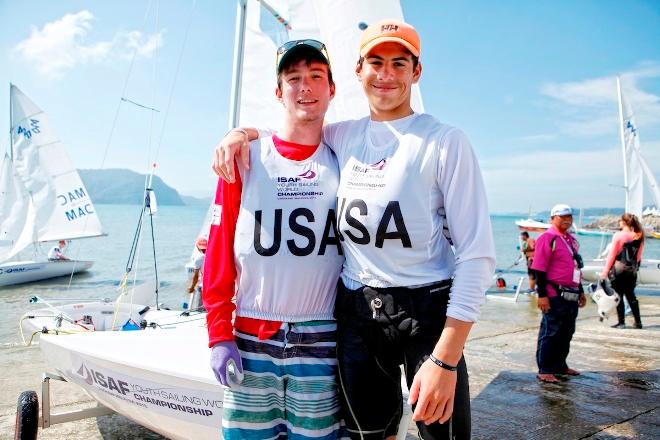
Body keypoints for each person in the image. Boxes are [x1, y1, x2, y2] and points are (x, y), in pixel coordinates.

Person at [212, 19, 495, 440]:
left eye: (399, 64)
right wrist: (242, 133)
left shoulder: (445, 141)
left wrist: (447, 359)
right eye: (376, 62)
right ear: (359, 71)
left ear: (417, 73)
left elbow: (477, 256)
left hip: (425, 309)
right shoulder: (343, 136)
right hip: (358, 309)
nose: (386, 74)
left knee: (443, 434)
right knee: (369, 433)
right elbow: (291, 133)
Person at [202, 40, 345, 439]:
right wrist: (218, 335)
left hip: (322, 340)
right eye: (294, 78)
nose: (306, 87)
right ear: (279, 93)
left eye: (316, 77)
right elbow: (219, 253)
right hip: (251, 339)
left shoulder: (345, 155)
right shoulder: (244, 157)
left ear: (332, 89)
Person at [531, 204, 587, 383]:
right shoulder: (548, 238)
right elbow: (539, 269)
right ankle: (545, 368)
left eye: (569, 216)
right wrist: (542, 295)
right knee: (551, 331)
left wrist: (581, 291)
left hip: (571, 293)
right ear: (552, 218)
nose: (566, 220)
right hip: (553, 293)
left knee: (567, 331)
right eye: (562, 216)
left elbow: (576, 267)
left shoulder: (569, 239)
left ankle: (560, 365)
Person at [599, 213, 645, 329]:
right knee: (631, 295)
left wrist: (605, 272)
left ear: (624, 222)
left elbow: (612, 255)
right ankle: (638, 322)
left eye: (620, 221)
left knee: (618, 295)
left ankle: (621, 322)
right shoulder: (639, 236)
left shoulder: (618, 235)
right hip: (632, 270)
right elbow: (638, 257)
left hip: (619, 269)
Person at [187, 237, 207, 311]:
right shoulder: (213, 256)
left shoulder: (199, 259)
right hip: (213, 286)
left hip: (203, 287)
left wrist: (192, 287)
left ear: (198, 247)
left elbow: (196, 276)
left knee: (199, 310)